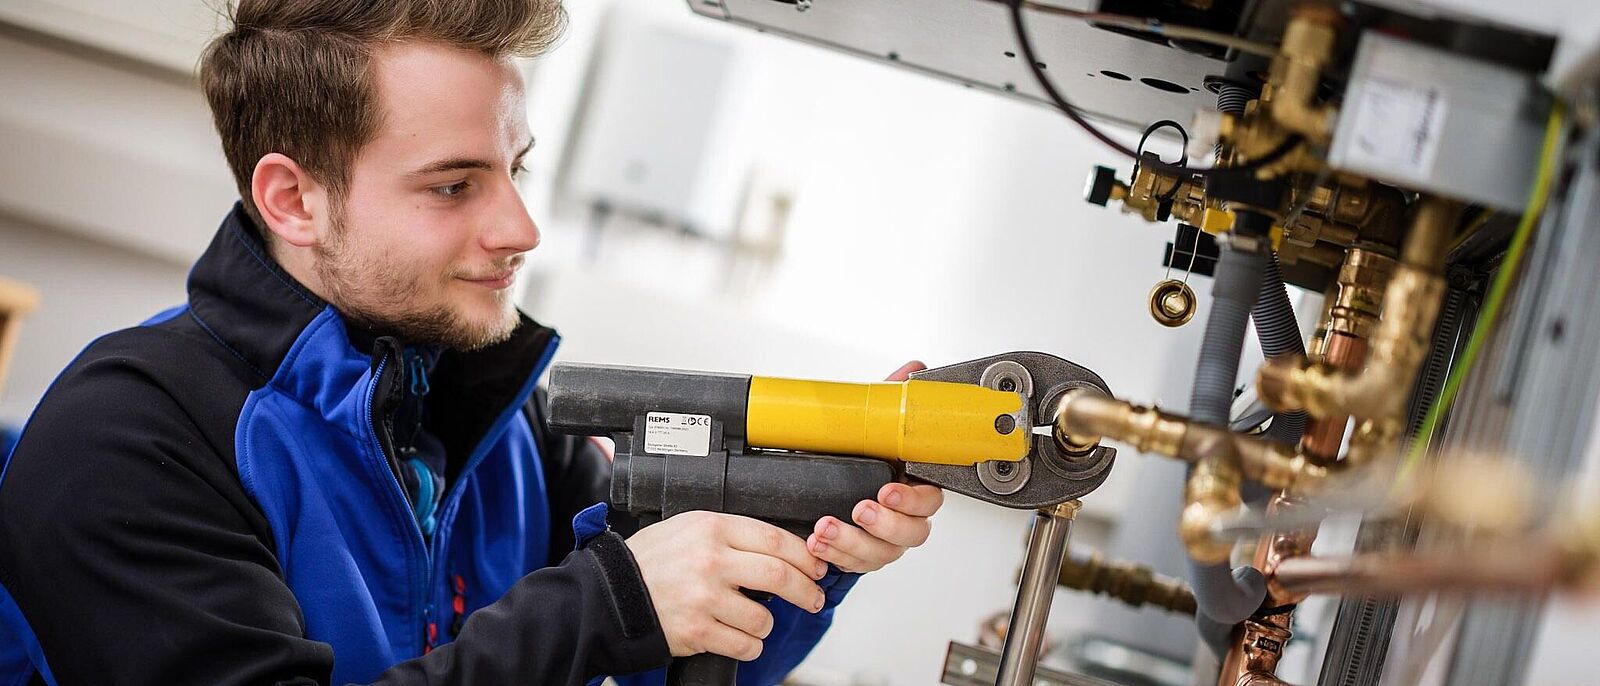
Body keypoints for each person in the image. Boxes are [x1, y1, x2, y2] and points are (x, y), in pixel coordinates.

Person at [0, 1, 944, 684]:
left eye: (514, 168)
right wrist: (606, 605)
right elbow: (603, 618)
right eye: (454, 185)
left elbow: (655, 657)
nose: (522, 227)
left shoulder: (510, 423)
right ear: (294, 199)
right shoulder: (127, 441)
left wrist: (795, 546)